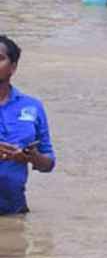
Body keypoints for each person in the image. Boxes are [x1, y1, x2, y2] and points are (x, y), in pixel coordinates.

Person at [0, 36, 54, 215]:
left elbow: (49, 164)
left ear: (13, 67)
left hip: (15, 211)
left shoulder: (32, 106)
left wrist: (32, 157)